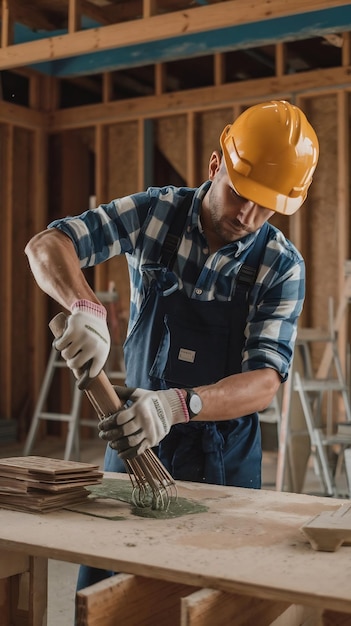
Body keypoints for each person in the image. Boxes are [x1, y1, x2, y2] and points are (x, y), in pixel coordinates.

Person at [25, 100, 319, 589]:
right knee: (105, 595)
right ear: (214, 165)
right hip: (133, 436)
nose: (247, 214)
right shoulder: (154, 214)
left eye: (266, 204)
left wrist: (178, 406)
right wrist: (86, 308)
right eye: (240, 192)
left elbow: (266, 381)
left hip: (222, 455)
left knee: (214, 601)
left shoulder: (281, 265)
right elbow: (47, 244)